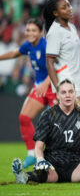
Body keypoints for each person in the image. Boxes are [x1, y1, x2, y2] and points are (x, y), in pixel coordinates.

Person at [0, 18, 56, 168]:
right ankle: (32, 155)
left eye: (33, 30)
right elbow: (13, 53)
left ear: (40, 32)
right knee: (24, 118)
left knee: (59, 125)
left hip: (54, 87)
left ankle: (61, 157)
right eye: (27, 30)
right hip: (39, 87)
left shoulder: (46, 46)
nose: (29, 33)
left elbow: (58, 67)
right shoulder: (28, 46)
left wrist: (45, 84)